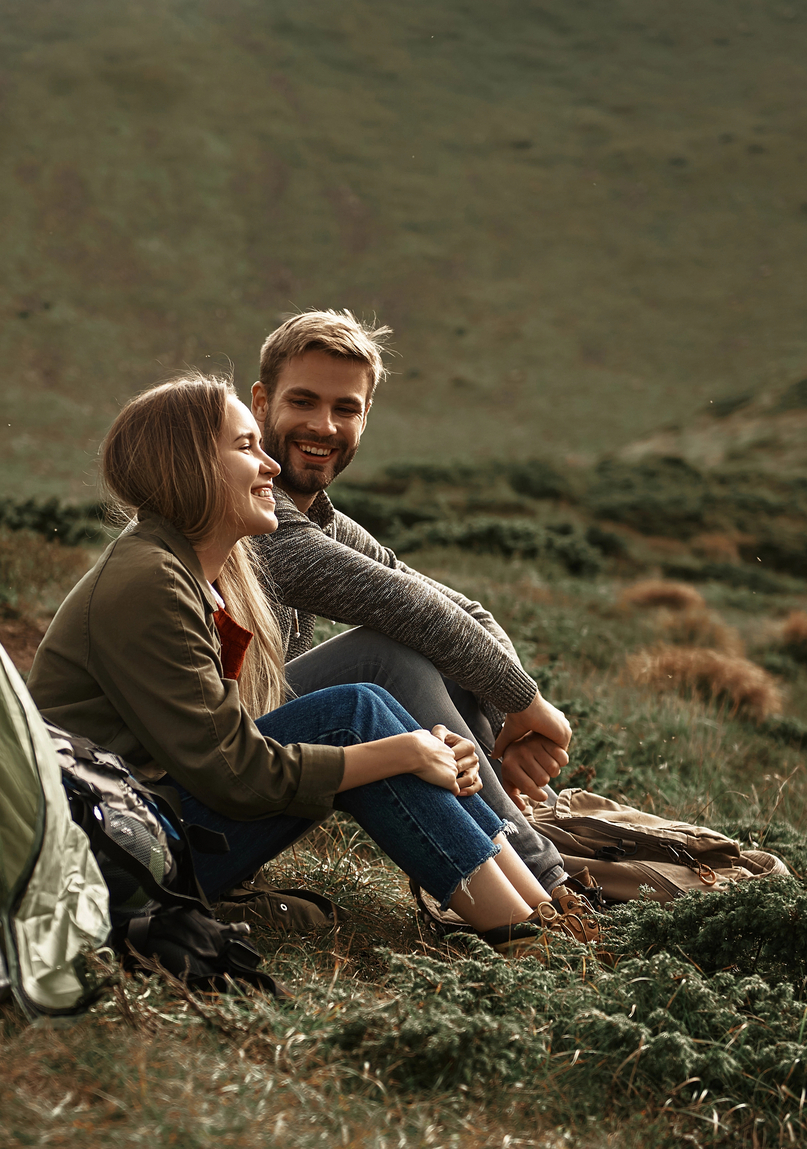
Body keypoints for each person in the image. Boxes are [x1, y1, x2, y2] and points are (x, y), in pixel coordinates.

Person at [27, 375, 585, 952]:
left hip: (150, 821)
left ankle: (545, 914)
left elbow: (438, 606)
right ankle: (525, 938)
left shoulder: (205, 569)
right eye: (246, 447)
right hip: (114, 851)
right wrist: (404, 751)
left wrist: (431, 750)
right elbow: (237, 775)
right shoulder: (152, 581)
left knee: (370, 710)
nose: (269, 465)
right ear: (189, 465)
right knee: (355, 715)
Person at [246, 310, 580, 899]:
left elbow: (462, 612)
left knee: (438, 645)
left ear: (366, 417)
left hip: (254, 753)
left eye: (345, 408)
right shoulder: (251, 511)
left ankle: (518, 841)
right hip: (190, 775)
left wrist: (504, 723)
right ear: (261, 402)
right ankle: (539, 870)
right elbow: (402, 606)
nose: (323, 425)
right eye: (303, 402)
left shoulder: (320, 520)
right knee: (383, 658)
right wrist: (532, 706)